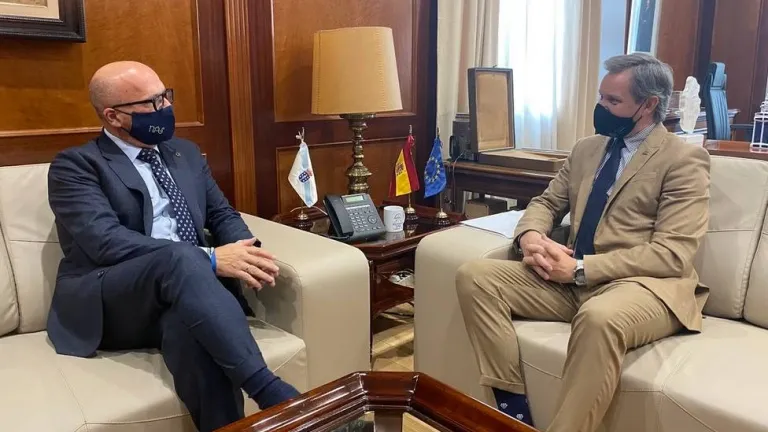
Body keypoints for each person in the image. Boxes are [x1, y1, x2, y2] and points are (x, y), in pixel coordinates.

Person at [455, 53, 710, 432]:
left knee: (598, 318)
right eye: (601, 97)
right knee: (475, 276)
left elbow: (672, 255)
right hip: (572, 282)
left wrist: (578, 269)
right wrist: (531, 236)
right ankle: (512, 411)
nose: (601, 107)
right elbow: (546, 203)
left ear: (648, 105)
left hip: (642, 286)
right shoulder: (587, 149)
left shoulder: (683, 159)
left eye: (613, 101)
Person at [46, 61, 300, 432]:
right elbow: (105, 241)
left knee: (190, 330)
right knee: (179, 255)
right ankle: (274, 394)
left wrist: (247, 252)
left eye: (165, 96)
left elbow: (221, 214)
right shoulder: (76, 166)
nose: (164, 107)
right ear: (113, 116)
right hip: (115, 296)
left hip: (184, 292)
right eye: (150, 103)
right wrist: (209, 258)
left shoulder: (185, 153)